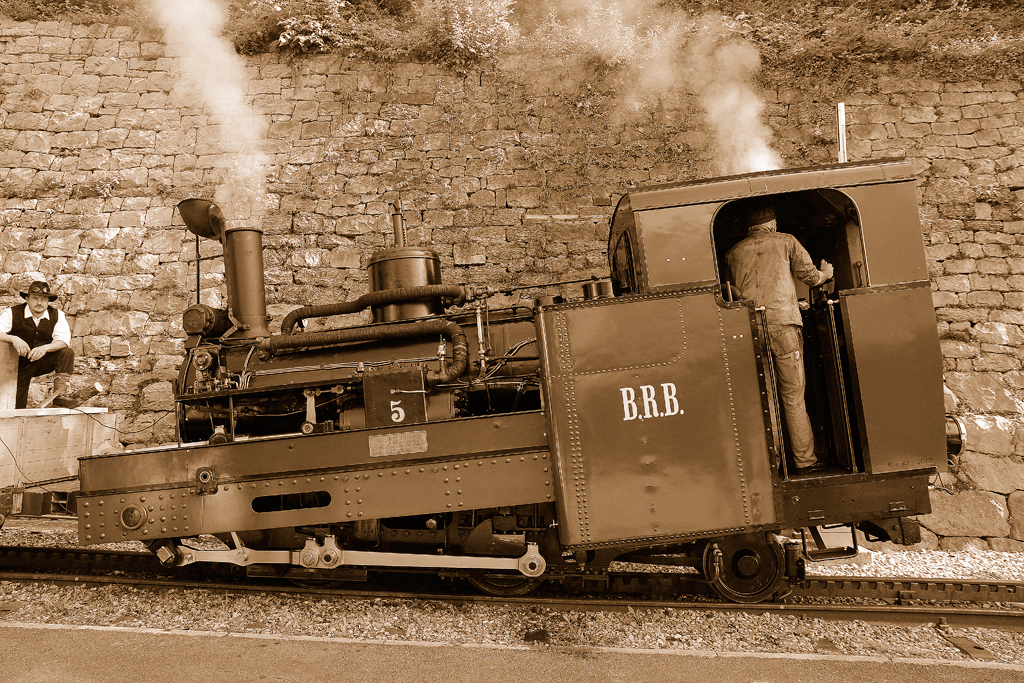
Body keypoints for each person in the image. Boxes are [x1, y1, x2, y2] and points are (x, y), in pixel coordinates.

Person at [724, 206, 833, 475]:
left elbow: (733, 293)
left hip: (750, 329)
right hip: (784, 327)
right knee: (793, 396)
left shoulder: (732, 253)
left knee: (765, 396)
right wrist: (826, 274)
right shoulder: (786, 241)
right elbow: (809, 277)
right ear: (772, 224)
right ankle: (804, 461)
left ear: (750, 227)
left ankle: (773, 465)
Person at [0, 280, 77, 409]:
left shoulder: (57, 315)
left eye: (44, 299)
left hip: (40, 361)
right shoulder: (12, 313)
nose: (39, 303)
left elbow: (63, 340)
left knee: (66, 353)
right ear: (27, 299)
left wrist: (45, 348)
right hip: (16, 365)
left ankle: (60, 396)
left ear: (48, 302)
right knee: (16, 406)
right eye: (35, 298)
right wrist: (13, 339)